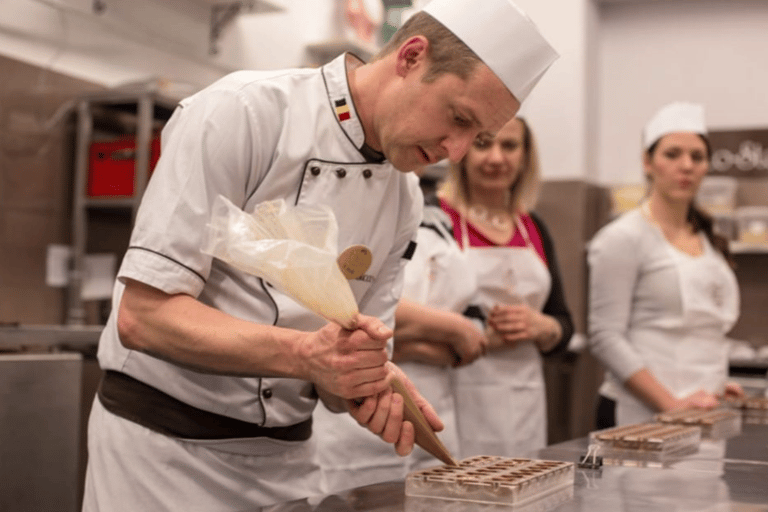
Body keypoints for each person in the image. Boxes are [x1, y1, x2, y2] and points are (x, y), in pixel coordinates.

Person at [81, 0, 558, 509]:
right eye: (458, 118)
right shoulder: (244, 112)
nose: (458, 152)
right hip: (163, 460)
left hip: (288, 465)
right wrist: (308, 356)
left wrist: (361, 379)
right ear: (411, 57)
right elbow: (143, 317)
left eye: (477, 135)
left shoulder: (404, 198)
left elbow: (337, 368)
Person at [313, 169, 489, 492]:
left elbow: (475, 335)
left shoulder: (439, 221)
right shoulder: (338, 211)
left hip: (435, 409)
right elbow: (342, 318)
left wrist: (426, 339)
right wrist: (449, 328)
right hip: (353, 424)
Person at [588, 102, 744, 428]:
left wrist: (715, 383)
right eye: (672, 154)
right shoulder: (623, 238)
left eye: (697, 157)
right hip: (641, 417)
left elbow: (702, 331)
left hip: (704, 410)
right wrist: (671, 404)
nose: (686, 165)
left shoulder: (708, 240)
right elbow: (605, 336)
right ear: (648, 162)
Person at [437, 116, 574, 458]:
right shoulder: (436, 217)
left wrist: (547, 328)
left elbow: (563, 320)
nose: (496, 158)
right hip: (455, 390)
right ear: (463, 151)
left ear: (526, 157)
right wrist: (476, 333)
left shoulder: (534, 226)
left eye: (509, 146)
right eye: (483, 144)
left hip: (525, 397)